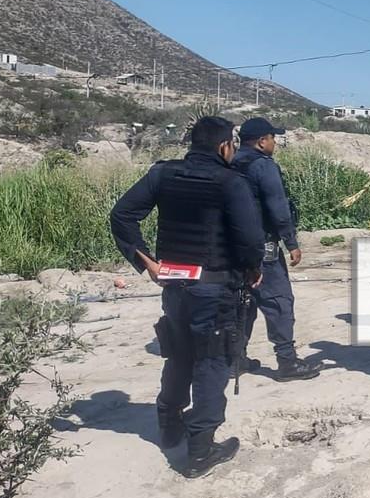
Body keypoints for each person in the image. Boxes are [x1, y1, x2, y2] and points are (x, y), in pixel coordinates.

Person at [109, 116, 264, 478]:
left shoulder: (163, 174)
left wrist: (146, 262)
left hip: (175, 286)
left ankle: (170, 423)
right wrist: (253, 268)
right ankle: (200, 449)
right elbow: (250, 239)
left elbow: (122, 215)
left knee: (179, 353)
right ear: (225, 146)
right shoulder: (230, 182)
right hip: (214, 287)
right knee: (212, 361)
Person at [232, 117, 318, 382]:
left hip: (233, 247)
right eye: (272, 138)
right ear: (261, 141)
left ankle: (236, 359)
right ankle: (287, 362)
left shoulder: (231, 163)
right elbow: (278, 208)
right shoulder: (263, 166)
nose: (275, 143)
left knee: (242, 303)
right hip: (263, 247)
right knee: (278, 301)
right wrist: (291, 242)